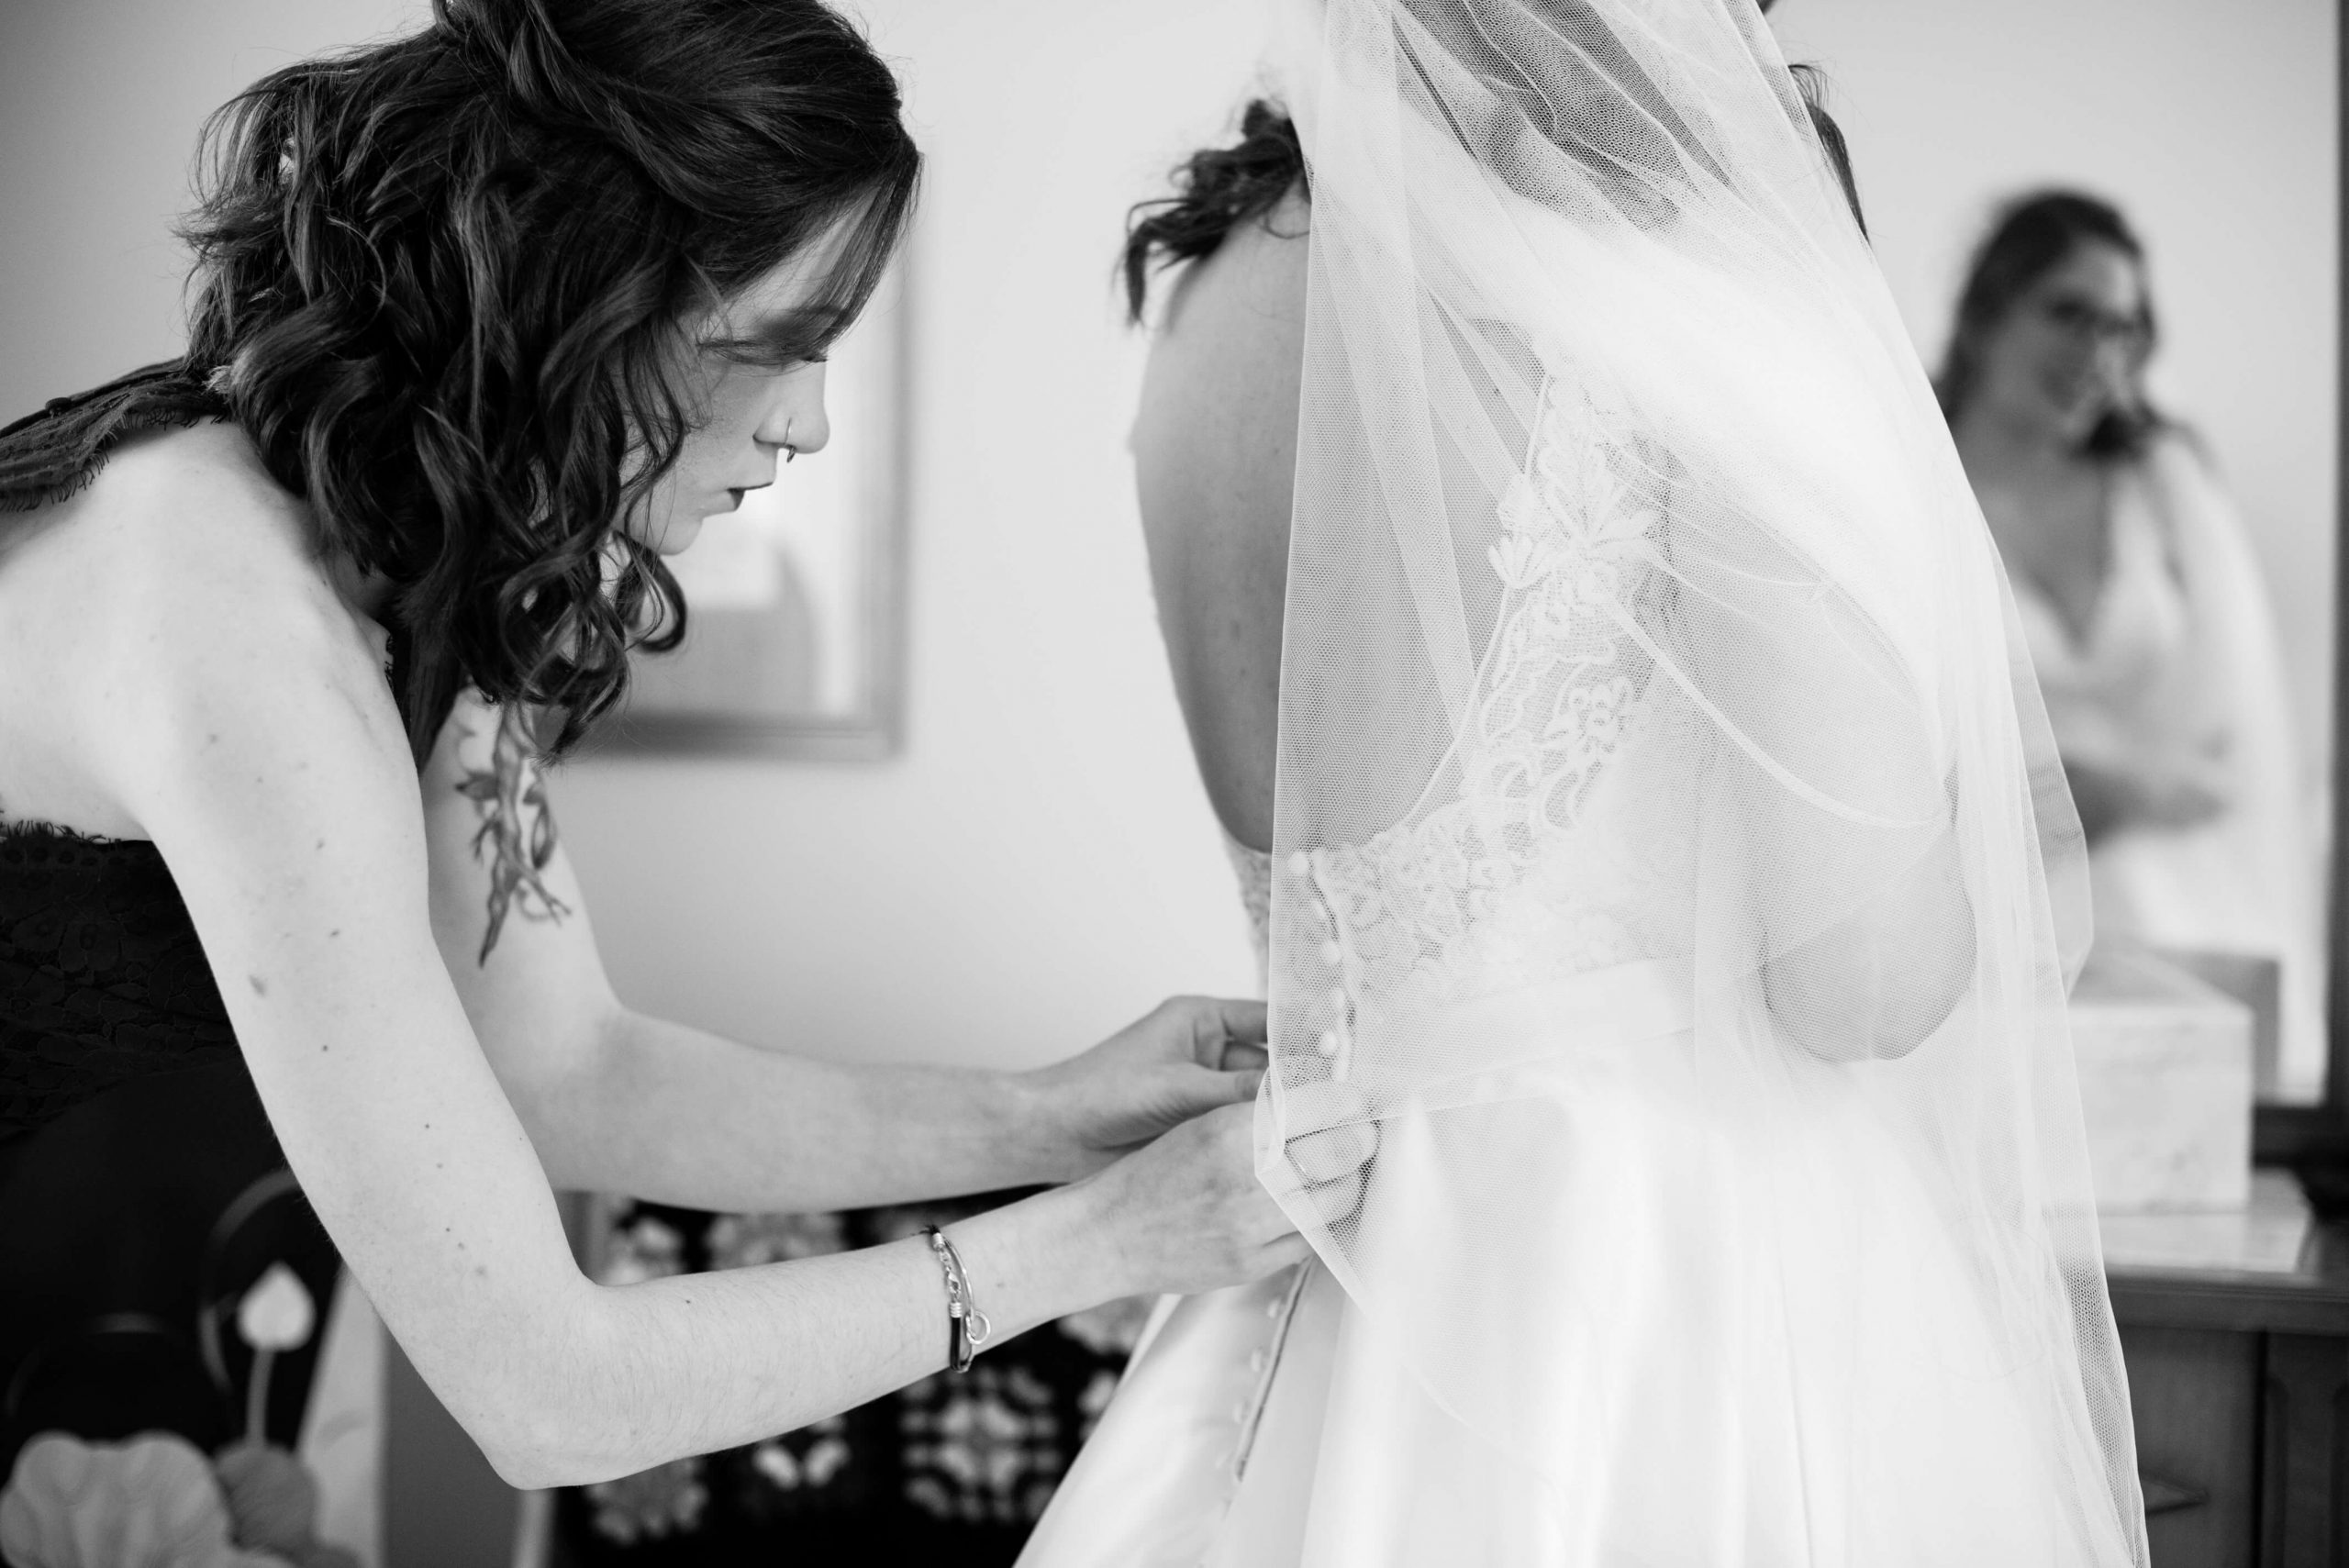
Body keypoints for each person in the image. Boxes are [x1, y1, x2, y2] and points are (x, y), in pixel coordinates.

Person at [0, 0, 1375, 1508]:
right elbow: (546, 1394)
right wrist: (1105, 1236)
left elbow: (569, 1068)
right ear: (582, 296)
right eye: (781, 347)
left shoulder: (413, 550)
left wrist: (1051, 1112)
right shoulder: (231, 627)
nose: (812, 424)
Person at [1019, 1, 2148, 1562]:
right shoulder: (1671, 311)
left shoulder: (1212, 298)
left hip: (1323, 1255)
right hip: (1655, 1289)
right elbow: (1865, 982)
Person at [1943, 190, 2321, 1093]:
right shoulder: (1918, 475)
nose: (2097, 355)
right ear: (1987, 309)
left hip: (2169, 861)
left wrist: (2123, 797)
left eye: (2123, 328)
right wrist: (2074, 797)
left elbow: (2233, 732)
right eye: (2069, 313)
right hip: (1986, 866)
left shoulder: (2164, 481)